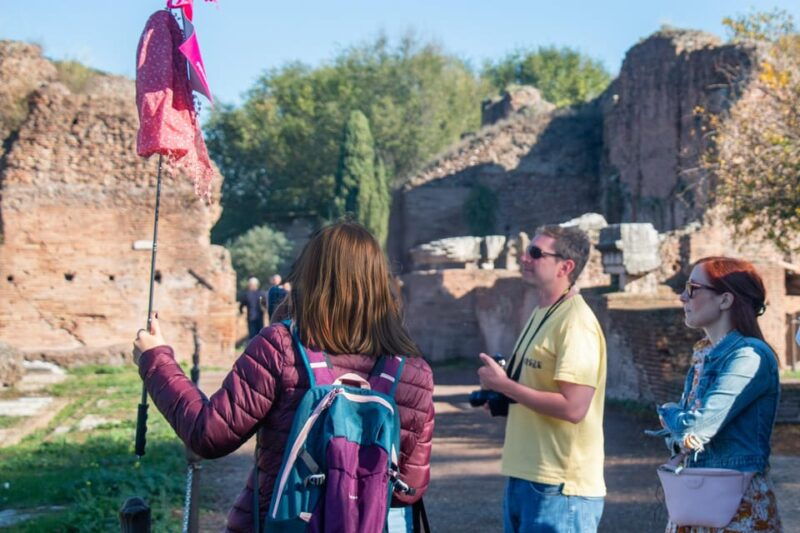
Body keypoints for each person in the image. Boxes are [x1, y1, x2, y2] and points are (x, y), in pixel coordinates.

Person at [133, 221, 434, 532]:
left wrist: (155, 358)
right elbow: (407, 487)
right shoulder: (414, 371)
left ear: (309, 278)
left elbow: (209, 434)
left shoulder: (280, 347)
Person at [477, 225, 607, 533]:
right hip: (527, 475)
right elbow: (535, 386)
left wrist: (504, 386)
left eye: (536, 253)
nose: (525, 258)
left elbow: (574, 408)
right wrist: (502, 397)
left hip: (560, 485)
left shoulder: (576, 322)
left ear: (566, 266)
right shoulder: (543, 312)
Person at [654, 257, 782, 532]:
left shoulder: (750, 356)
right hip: (700, 500)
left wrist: (667, 411)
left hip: (737, 511)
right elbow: (684, 440)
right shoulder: (705, 353)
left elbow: (693, 432)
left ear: (725, 300)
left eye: (692, 288)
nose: (681, 297)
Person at [238, 276, 267, 341]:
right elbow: (265, 305)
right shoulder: (261, 294)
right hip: (259, 317)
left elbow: (241, 306)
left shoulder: (247, 294)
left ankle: (253, 350)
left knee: (253, 336)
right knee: (260, 334)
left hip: (251, 317)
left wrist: (241, 312)